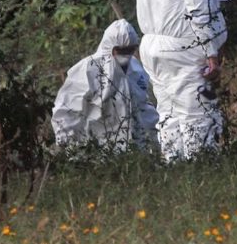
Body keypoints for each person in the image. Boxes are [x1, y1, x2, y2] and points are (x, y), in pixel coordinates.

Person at [133, 0, 229, 161]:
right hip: (184, 48)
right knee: (196, 112)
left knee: (168, 111)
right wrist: (211, 53)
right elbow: (199, 12)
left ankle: (173, 163)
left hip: (152, 46)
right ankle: (201, 165)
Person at [51, 19, 159, 155]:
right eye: (122, 50)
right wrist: (66, 143)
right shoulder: (88, 69)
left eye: (130, 50)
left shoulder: (136, 69)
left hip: (134, 152)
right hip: (97, 151)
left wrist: (154, 139)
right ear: (112, 48)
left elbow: (144, 106)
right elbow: (67, 108)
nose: (126, 55)